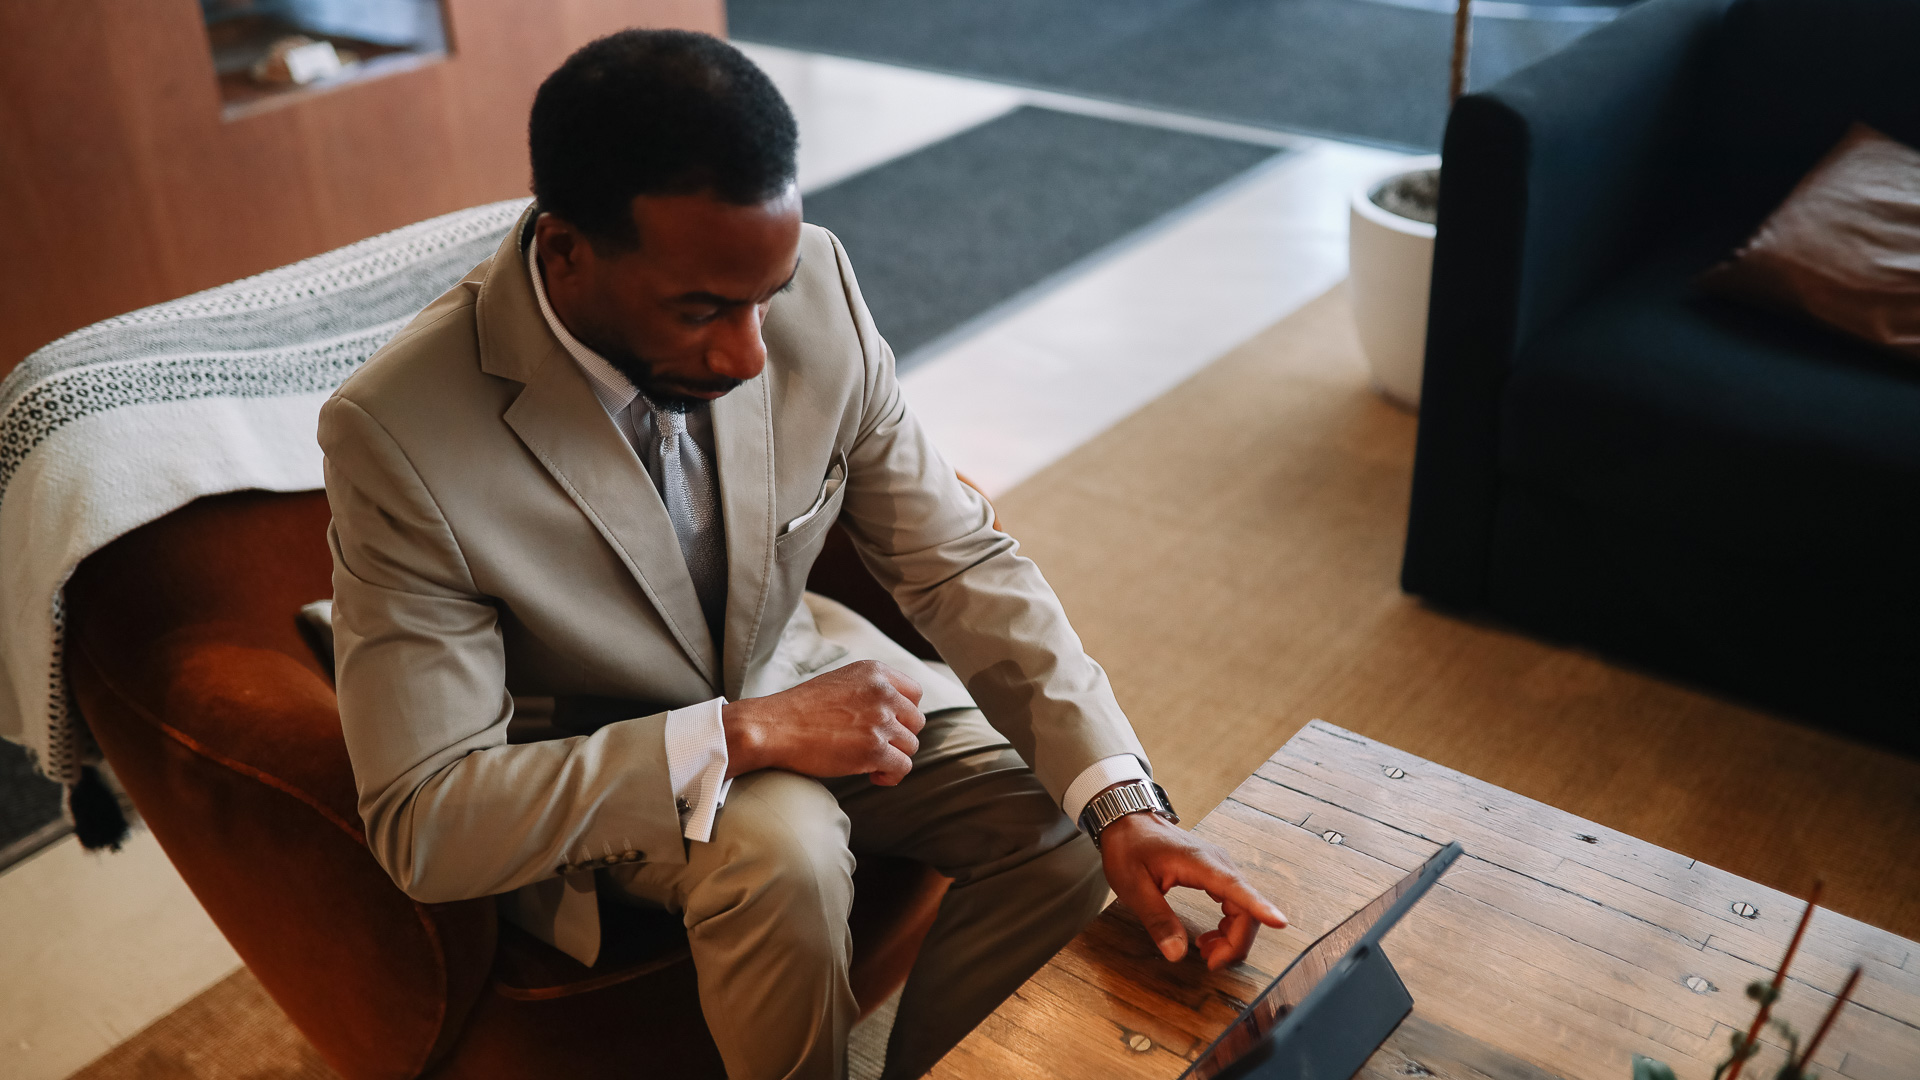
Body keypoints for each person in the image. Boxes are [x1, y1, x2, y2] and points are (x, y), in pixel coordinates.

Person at [319, 28, 1286, 1080]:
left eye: (764, 297)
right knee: (784, 851)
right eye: (700, 310)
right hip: (607, 769)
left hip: (805, 671)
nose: (748, 354)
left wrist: (1124, 807)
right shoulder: (400, 432)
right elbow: (426, 822)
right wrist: (746, 733)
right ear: (564, 255)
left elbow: (956, 559)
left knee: (1062, 810)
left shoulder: (817, 280)